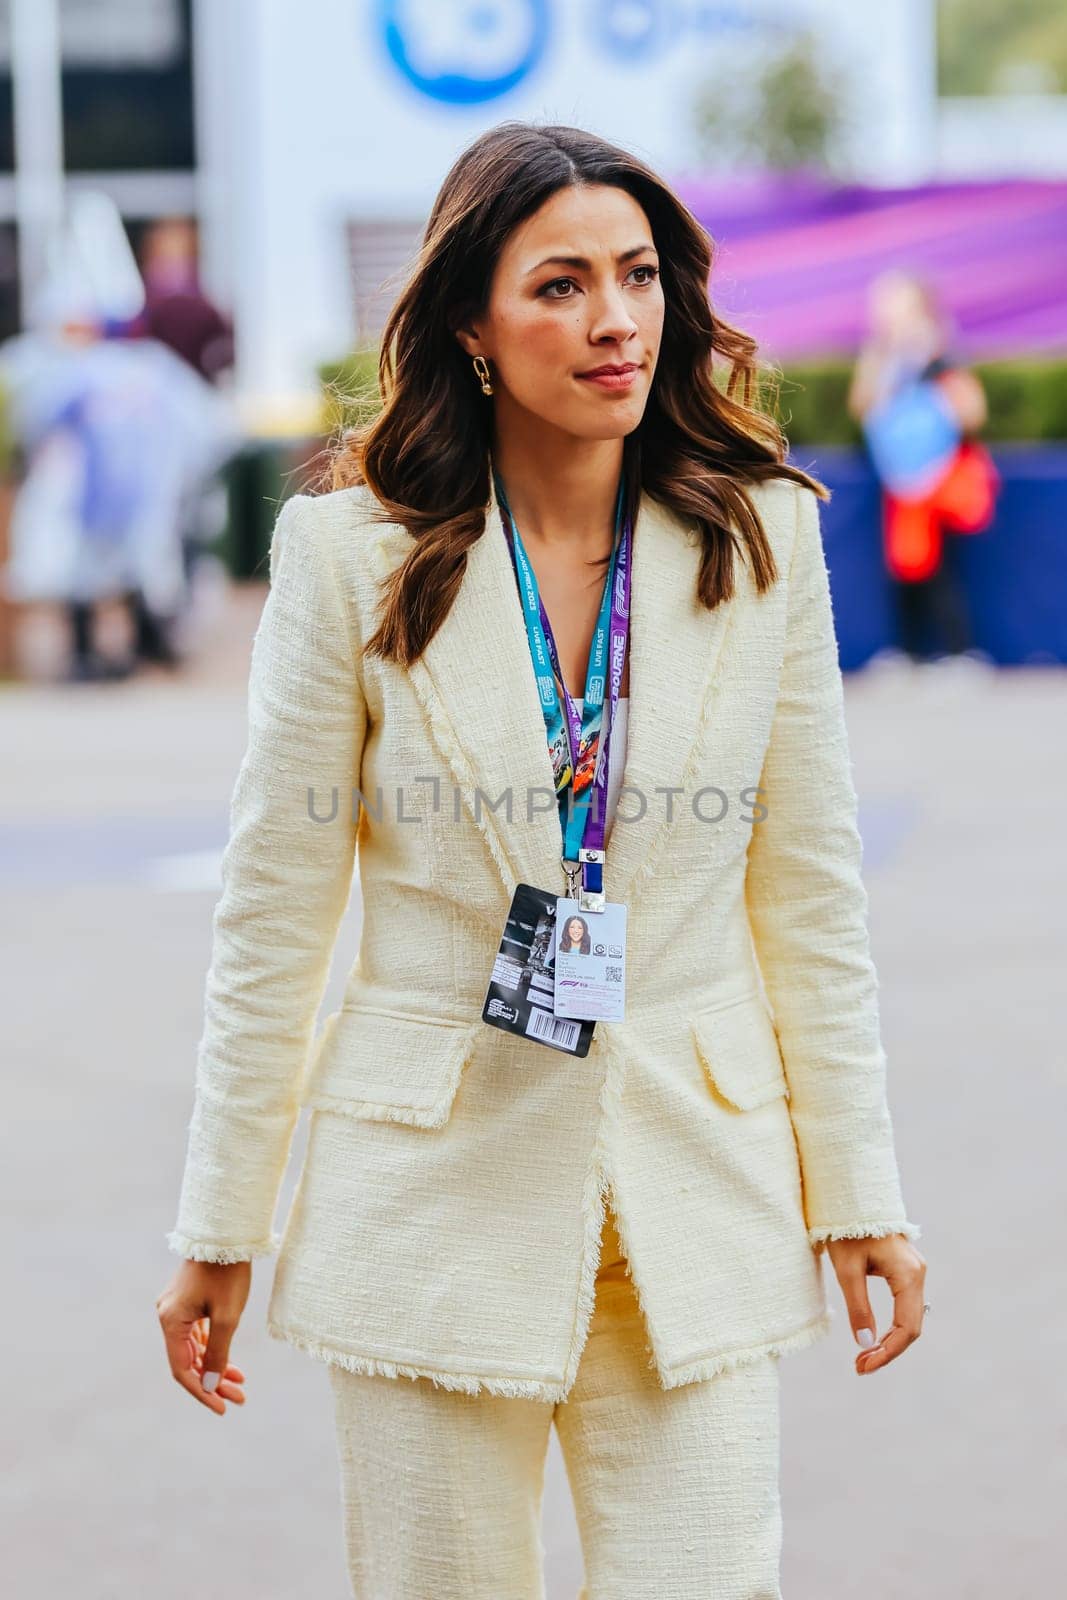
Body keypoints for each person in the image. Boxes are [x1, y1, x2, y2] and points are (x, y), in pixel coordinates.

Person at [157, 122, 926, 1598]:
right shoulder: (349, 554)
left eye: (634, 276)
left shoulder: (760, 539)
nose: (614, 321)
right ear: (470, 322)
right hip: (430, 1195)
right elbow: (273, 910)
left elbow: (809, 898)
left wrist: (860, 1192)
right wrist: (221, 1219)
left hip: (688, 1192)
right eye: (560, 284)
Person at [848, 268, 1000, 666]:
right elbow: (862, 407)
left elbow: (971, 413)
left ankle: (959, 653)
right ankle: (909, 654)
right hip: (900, 480)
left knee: (943, 568)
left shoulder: (941, 358)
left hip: (937, 478)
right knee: (905, 568)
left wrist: (931, 376)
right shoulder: (880, 358)